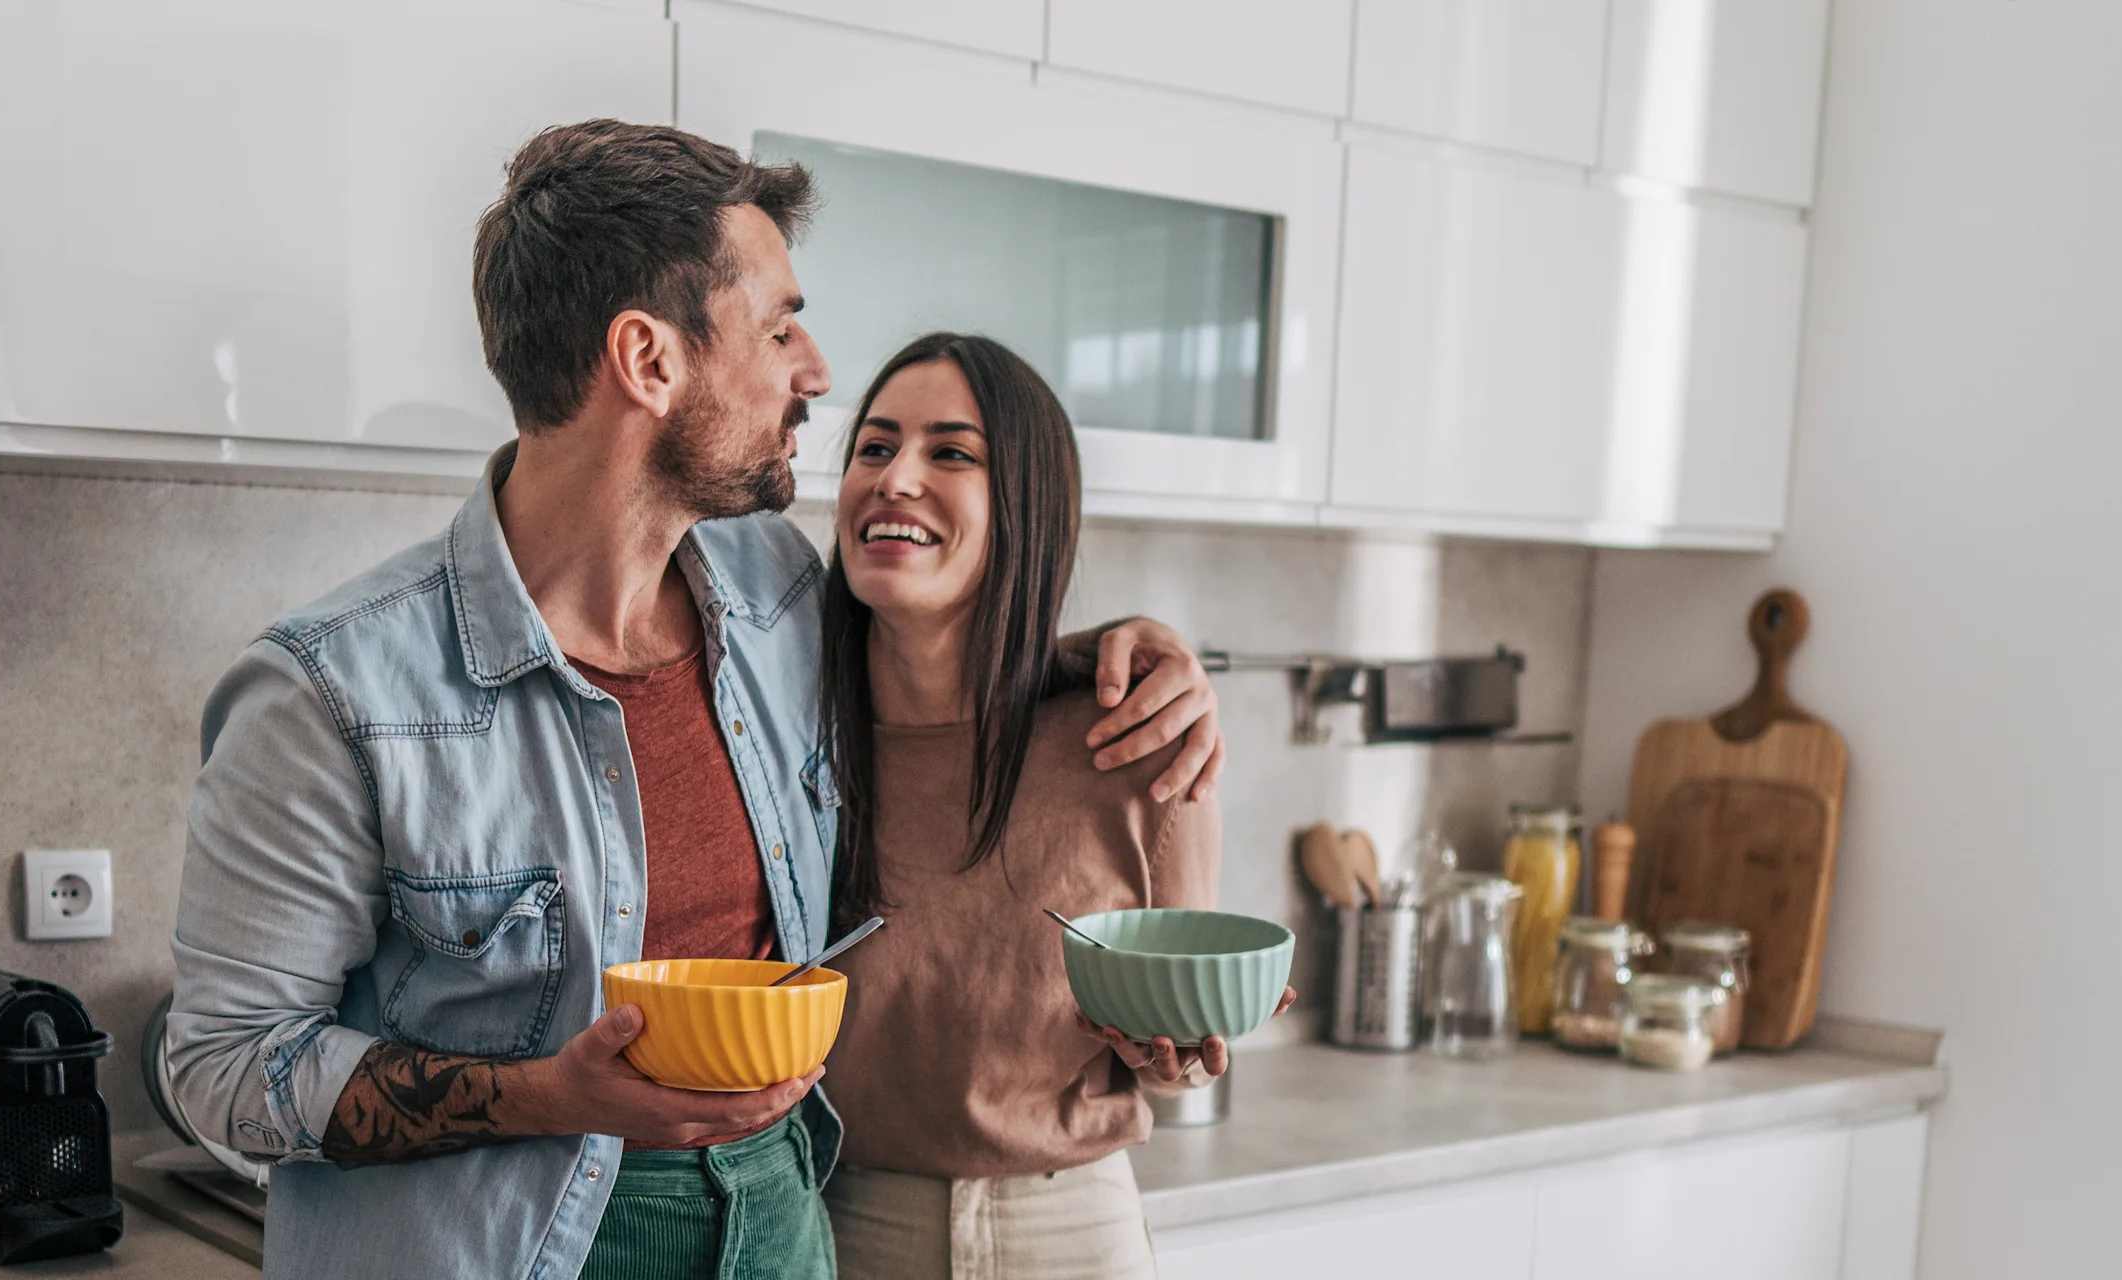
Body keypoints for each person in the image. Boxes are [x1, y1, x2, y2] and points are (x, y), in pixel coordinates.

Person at [160, 120, 1230, 1280]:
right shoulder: (330, 691)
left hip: (781, 1223)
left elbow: (948, 643)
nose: (814, 369)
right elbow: (220, 1066)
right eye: (778, 327)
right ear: (650, 360)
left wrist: (1123, 650)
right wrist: (542, 1095)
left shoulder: (780, 598)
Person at [811, 333, 1287, 1280]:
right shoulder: (783, 730)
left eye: (950, 452)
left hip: (1072, 1234)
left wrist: (1181, 1049)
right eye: (873, 446)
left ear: (1025, 508)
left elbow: (1179, 1047)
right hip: (840, 1224)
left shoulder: (1134, 746)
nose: (895, 477)